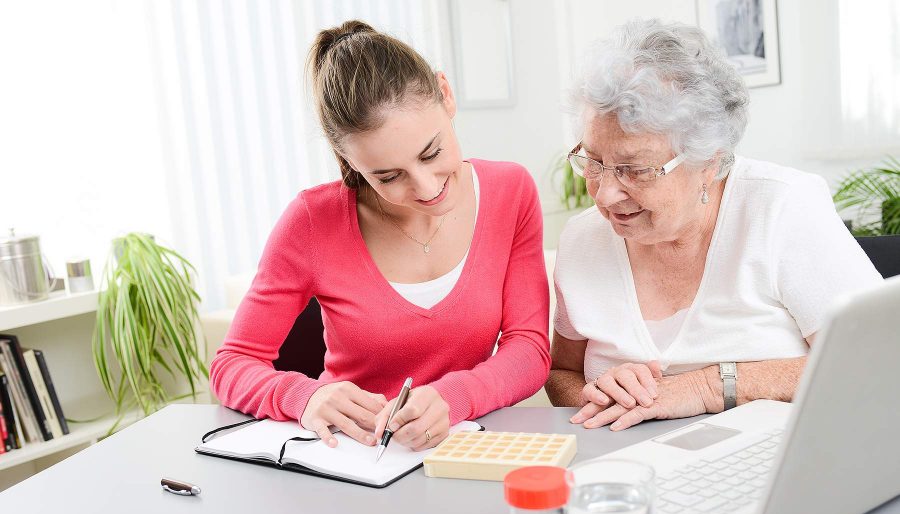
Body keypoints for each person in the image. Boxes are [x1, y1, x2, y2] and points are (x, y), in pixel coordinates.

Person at [209, 20, 550, 451]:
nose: (427, 188)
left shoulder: (511, 191)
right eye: (388, 176)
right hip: (351, 462)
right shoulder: (312, 221)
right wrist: (304, 395)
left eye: (432, 152)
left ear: (445, 94)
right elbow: (232, 364)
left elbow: (530, 351)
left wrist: (454, 397)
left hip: (468, 452)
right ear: (347, 158)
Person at [545, 19, 882, 431]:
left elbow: (878, 357)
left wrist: (707, 387)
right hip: (633, 470)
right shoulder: (583, 240)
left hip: (780, 467)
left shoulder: (780, 208)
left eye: (634, 169)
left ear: (707, 162)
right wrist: (594, 393)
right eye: (594, 162)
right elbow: (561, 373)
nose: (604, 195)